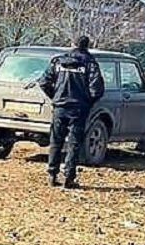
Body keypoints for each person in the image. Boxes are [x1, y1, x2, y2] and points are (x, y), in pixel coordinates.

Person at [36, 35, 104, 188]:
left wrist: (55, 97)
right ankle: (69, 178)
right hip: (79, 109)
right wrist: (87, 102)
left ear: (72, 44)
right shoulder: (90, 63)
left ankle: (52, 175)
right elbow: (97, 89)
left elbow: (44, 82)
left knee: (56, 141)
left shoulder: (58, 61)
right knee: (74, 143)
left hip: (60, 107)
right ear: (88, 46)